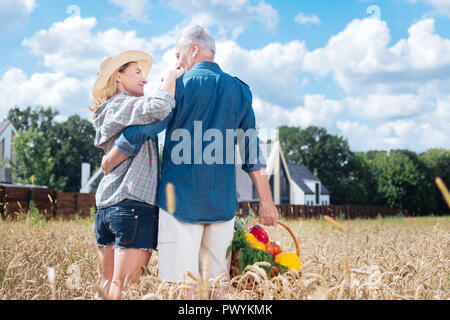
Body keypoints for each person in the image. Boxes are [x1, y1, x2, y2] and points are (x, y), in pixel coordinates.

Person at [101, 26, 279, 283]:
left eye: (178, 55)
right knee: (218, 286)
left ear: (193, 50)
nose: (177, 62)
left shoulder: (178, 85)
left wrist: (114, 155)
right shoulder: (240, 91)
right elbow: (252, 150)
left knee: (181, 287)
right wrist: (266, 201)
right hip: (222, 207)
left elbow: (148, 126)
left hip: (179, 205)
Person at [91, 50, 184, 299]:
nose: (144, 79)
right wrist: (171, 77)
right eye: (137, 72)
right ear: (118, 78)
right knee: (125, 289)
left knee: (107, 284)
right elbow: (162, 106)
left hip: (107, 208)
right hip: (132, 205)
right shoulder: (122, 104)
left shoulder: (115, 111)